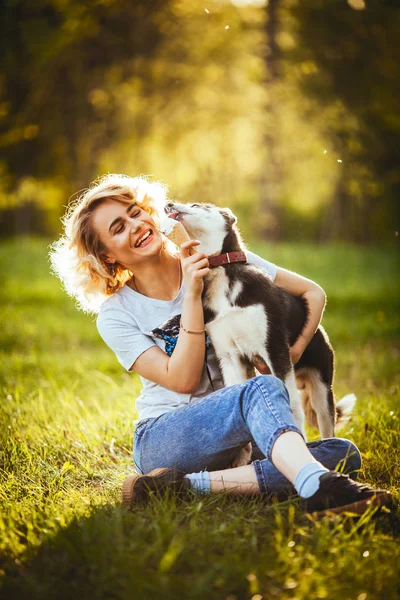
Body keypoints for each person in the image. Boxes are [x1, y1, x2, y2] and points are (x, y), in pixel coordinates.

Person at [50, 173, 392, 518]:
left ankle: (181, 486)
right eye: (118, 228)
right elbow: (182, 380)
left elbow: (312, 292)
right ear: (106, 257)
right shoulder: (117, 314)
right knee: (261, 391)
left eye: (135, 212)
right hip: (169, 437)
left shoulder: (219, 256)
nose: (135, 225)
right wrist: (193, 295)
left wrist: (295, 351)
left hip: (245, 427)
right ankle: (318, 486)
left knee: (343, 452)